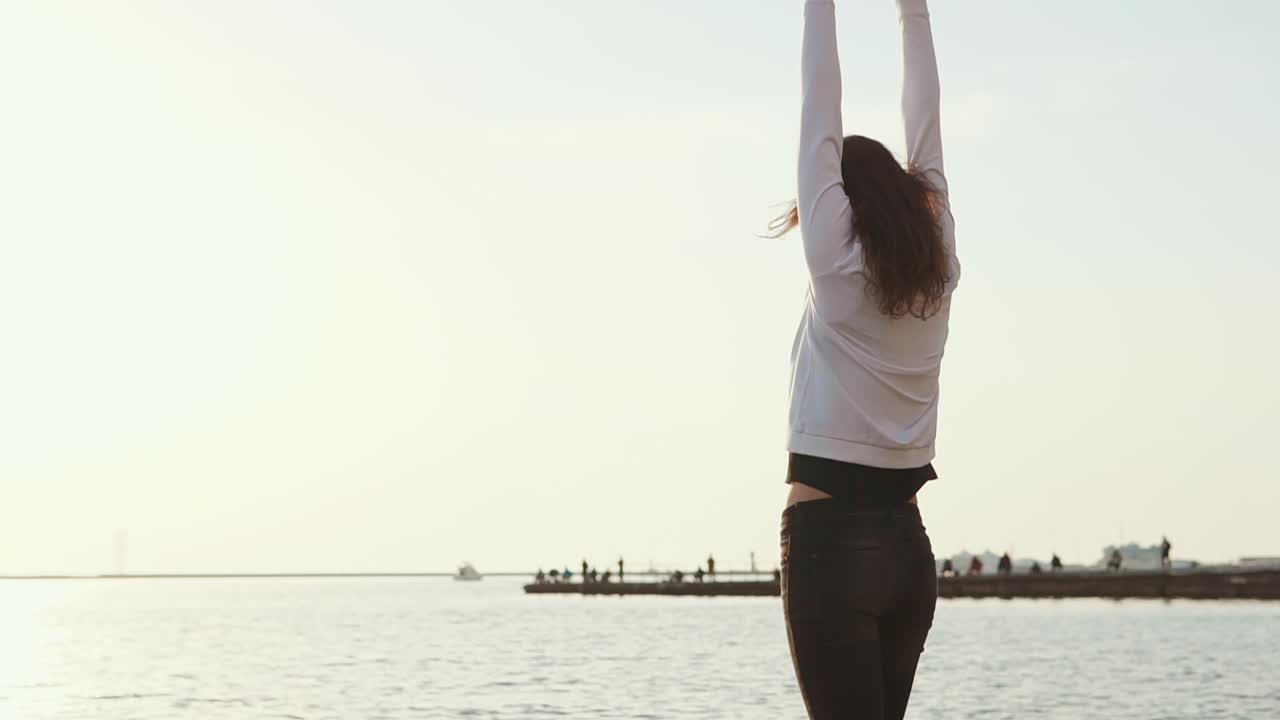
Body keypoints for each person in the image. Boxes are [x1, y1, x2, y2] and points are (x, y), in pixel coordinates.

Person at [774, 2, 958, 717]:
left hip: (831, 548)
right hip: (909, 552)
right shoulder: (939, 269)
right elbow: (926, 121)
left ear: (839, 201)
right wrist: (912, 12)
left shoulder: (837, 265)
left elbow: (818, 105)